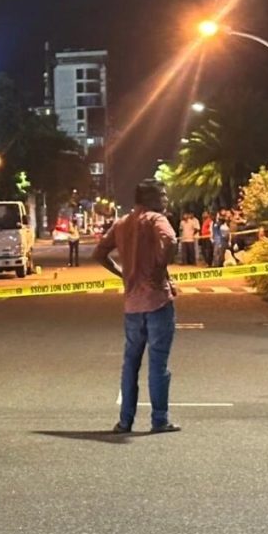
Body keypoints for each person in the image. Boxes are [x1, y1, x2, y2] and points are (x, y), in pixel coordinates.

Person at [93, 179, 181, 435]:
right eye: (162, 195)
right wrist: (160, 268)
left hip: (132, 305)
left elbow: (99, 253)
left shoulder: (122, 223)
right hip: (157, 301)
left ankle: (125, 421)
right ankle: (159, 420)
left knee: (130, 364)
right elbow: (171, 241)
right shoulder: (156, 219)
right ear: (150, 198)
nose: (165, 200)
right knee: (158, 364)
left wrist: (122, 273)